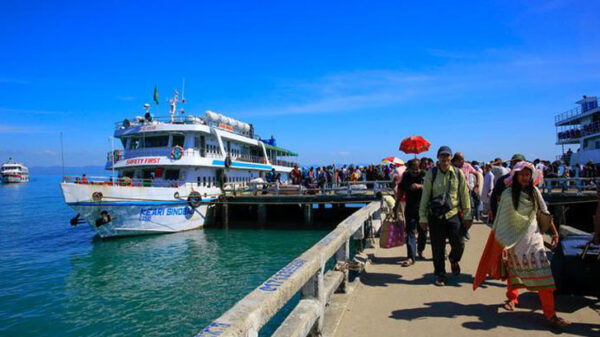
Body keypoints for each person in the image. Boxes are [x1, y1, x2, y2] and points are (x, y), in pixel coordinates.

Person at [473, 162, 569, 328]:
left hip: (534, 238)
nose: (524, 177)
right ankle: (512, 299)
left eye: (527, 174)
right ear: (516, 176)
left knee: (544, 275)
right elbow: (502, 222)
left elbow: (544, 212)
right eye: (521, 174)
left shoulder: (534, 191)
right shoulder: (508, 194)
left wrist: (554, 232)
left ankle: (550, 314)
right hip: (514, 242)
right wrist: (502, 246)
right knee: (513, 272)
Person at [419, 146, 472, 286]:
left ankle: (454, 259)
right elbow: (425, 196)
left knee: (459, 242)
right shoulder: (432, 173)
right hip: (435, 215)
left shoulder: (458, 173)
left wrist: (467, 214)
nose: (445, 159)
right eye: (442, 156)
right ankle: (440, 274)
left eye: (447, 156)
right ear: (438, 158)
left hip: (453, 213)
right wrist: (422, 217)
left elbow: (464, 194)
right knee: (437, 247)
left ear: (451, 158)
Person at [397, 159, 426, 266]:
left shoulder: (425, 175)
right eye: (413, 169)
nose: (415, 171)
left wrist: (419, 186)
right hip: (410, 208)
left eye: (417, 169)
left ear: (420, 167)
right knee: (410, 232)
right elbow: (401, 191)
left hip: (423, 208)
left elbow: (431, 188)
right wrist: (396, 206)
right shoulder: (406, 176)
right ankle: (411, 257)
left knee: (422, 231)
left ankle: (420, 249)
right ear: (409, 168)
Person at [490, 154, 526, 221]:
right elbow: (494, 199)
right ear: (511, 164)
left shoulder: (529, 182)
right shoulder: (502, 180)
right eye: (515, 162)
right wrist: (496, 218)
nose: (518, 164)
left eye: (520, 162)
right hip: (506, 217)